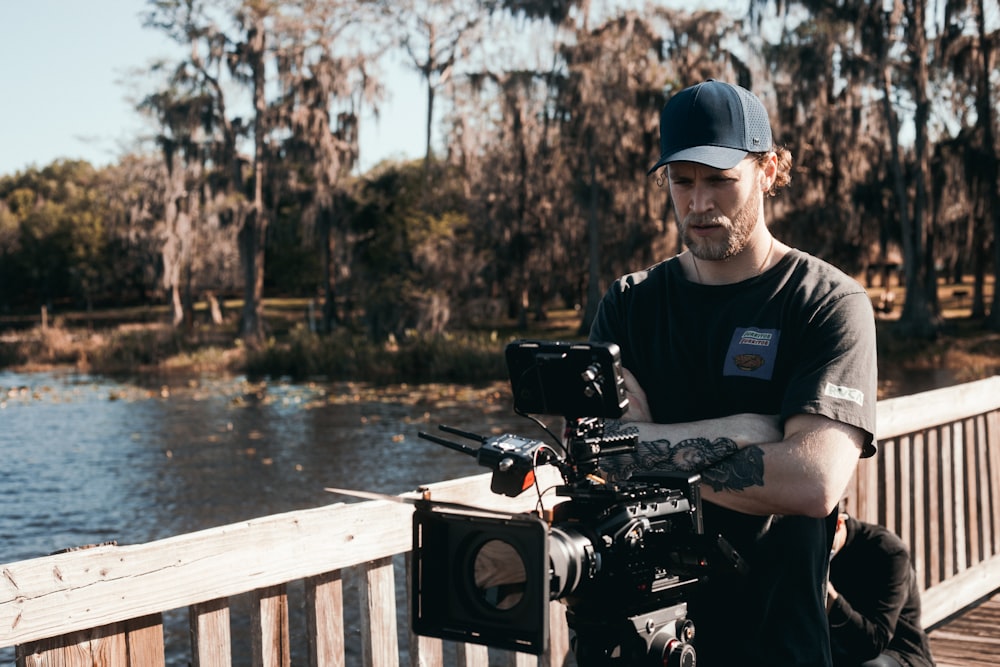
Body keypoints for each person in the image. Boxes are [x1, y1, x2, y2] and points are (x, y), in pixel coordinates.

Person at [588, 79, 879, 665]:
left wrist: (643, 449)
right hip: (638, 639)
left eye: (721, 180)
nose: (699, 205)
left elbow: (813, 481)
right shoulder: (628, 304)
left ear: (769, 170)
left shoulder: (825, 302)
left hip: (775, 640)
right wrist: (750, 432)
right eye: (682, 180)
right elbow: (595, 456)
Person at [828, 512, 936, 666]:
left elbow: (876, 641)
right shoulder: (809, 554)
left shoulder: (888, 552)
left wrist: (832, 601)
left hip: (899, 652)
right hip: (838, 651)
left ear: (838, 524)